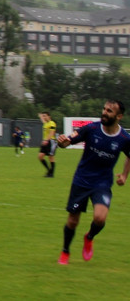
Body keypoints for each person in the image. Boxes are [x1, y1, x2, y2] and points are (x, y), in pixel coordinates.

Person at [54, 100, 130, 265]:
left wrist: (124, 175)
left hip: (102, 183)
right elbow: (66, 142)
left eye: (109, 111)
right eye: (104, 109)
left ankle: (89, 237)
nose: (104, 112)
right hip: (82, 180)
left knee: (100, 218)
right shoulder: (91, 129)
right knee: (73, 221)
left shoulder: (124, 138)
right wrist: (62, 142)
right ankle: (65, 251)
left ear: (119, 116)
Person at [39, 111, 57, 177]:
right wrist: (40, 116)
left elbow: (52, 133)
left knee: (51, 157)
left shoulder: (52, 123)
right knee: (40, 156)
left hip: (51, 141)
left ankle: (51, 174)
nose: (44, 117)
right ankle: (49, 170)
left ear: (49, 116)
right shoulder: (45, 123)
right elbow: (43, 120)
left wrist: (47, 140)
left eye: (45, 116)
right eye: (43, 116)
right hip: (45, 141)